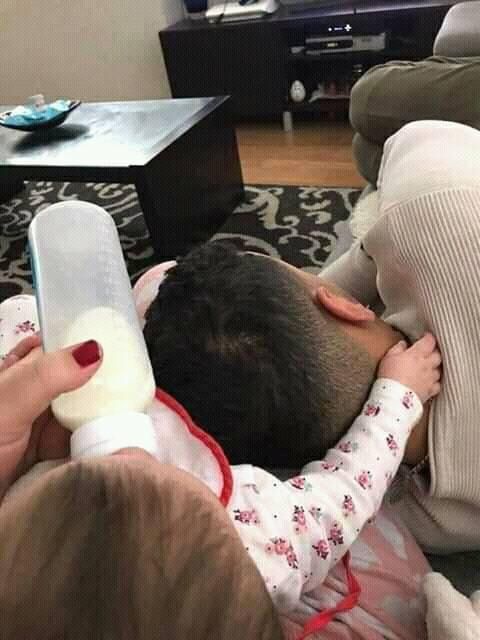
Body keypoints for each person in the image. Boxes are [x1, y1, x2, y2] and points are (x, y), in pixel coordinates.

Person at [0, 294, 440, 638]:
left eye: (71, 481)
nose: (125, 455)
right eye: (163, 472)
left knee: (25, 319)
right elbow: (347, 489)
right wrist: (398, 394)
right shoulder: (262, 548)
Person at [142, 120, 480, 554]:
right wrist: (368, 258)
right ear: (344, 306)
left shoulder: (417, 523)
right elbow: (419, 134)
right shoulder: (430, 207)